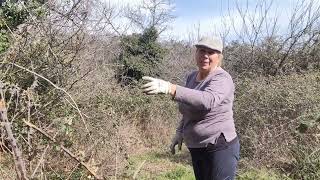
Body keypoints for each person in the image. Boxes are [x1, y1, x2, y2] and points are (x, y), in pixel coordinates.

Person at [141, 36, 240, 180]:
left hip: (219, 147)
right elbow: (188, 107)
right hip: (197, 147)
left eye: (211, 52)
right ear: (196, 53)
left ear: (218, 57)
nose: (205, 55)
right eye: (201, 51)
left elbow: (207, 100)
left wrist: (171, 88)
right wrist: (180, 132)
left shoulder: (222, 78)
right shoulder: (192, 77)